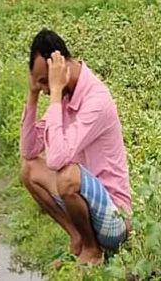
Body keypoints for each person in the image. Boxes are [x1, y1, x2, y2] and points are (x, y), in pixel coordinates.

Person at [20, 29, 131, 266]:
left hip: (115, 220)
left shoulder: (96, 100)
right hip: (86, 205)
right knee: (29, 169)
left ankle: (94, 250)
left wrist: (55, 92)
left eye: (45, 82)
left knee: (67, 175)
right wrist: (33, 94)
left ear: (60, 67)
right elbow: (29, 151)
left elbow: (56, 159)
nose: (45, 89)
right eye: (40, 83)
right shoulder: (65, 97)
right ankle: (79, 239)